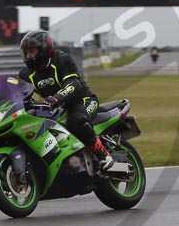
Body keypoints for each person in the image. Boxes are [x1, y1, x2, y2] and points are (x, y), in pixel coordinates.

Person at [18, 30, 114, 171]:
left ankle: (102, 155)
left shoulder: (62, 60)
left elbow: (73, 84)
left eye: (32, 51)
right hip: (57, 108)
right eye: (26, 52)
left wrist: (56, 98)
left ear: (44, 49)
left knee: (76, 121)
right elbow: (22, 94)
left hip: (83, 101)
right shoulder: (25, 74)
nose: (29, 56)